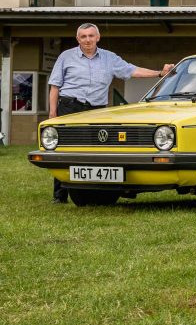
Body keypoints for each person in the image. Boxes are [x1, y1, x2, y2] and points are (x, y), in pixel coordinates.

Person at [48, 23, 174, 203]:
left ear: (98, 37)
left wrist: (159, 73)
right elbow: (55, 86)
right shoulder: (66, 57)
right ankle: (60, 195)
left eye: (91, 36)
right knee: (65, 149)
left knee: (97, 150)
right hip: (70, 107)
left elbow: (132, 71)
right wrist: (53, 113)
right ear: (78, 39)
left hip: (97, 111)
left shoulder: (109, 58)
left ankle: (97, 188)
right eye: (83, 36)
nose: (87, 39)